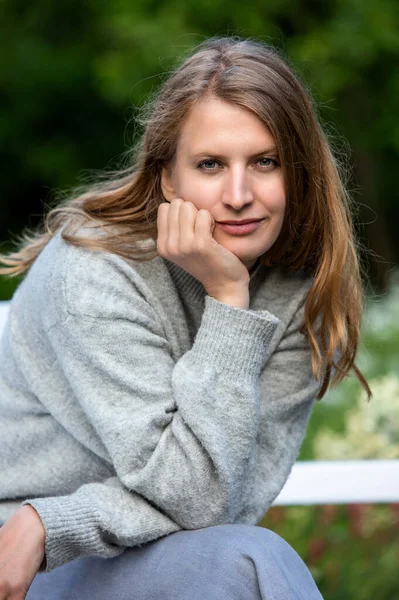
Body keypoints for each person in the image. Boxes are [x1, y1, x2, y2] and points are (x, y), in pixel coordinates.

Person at [0, 36, 371, 599]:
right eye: (211, 165)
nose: (239, 193)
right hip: (27, 565)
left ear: (297, 173)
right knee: (247, 562)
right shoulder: (97, 271)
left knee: (242, 558)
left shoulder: (301, 293)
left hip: (102, 541)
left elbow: (232, 498)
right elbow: (200, 501)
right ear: (169, 179)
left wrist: (56, 521)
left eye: (265, 162)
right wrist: (228, 300)